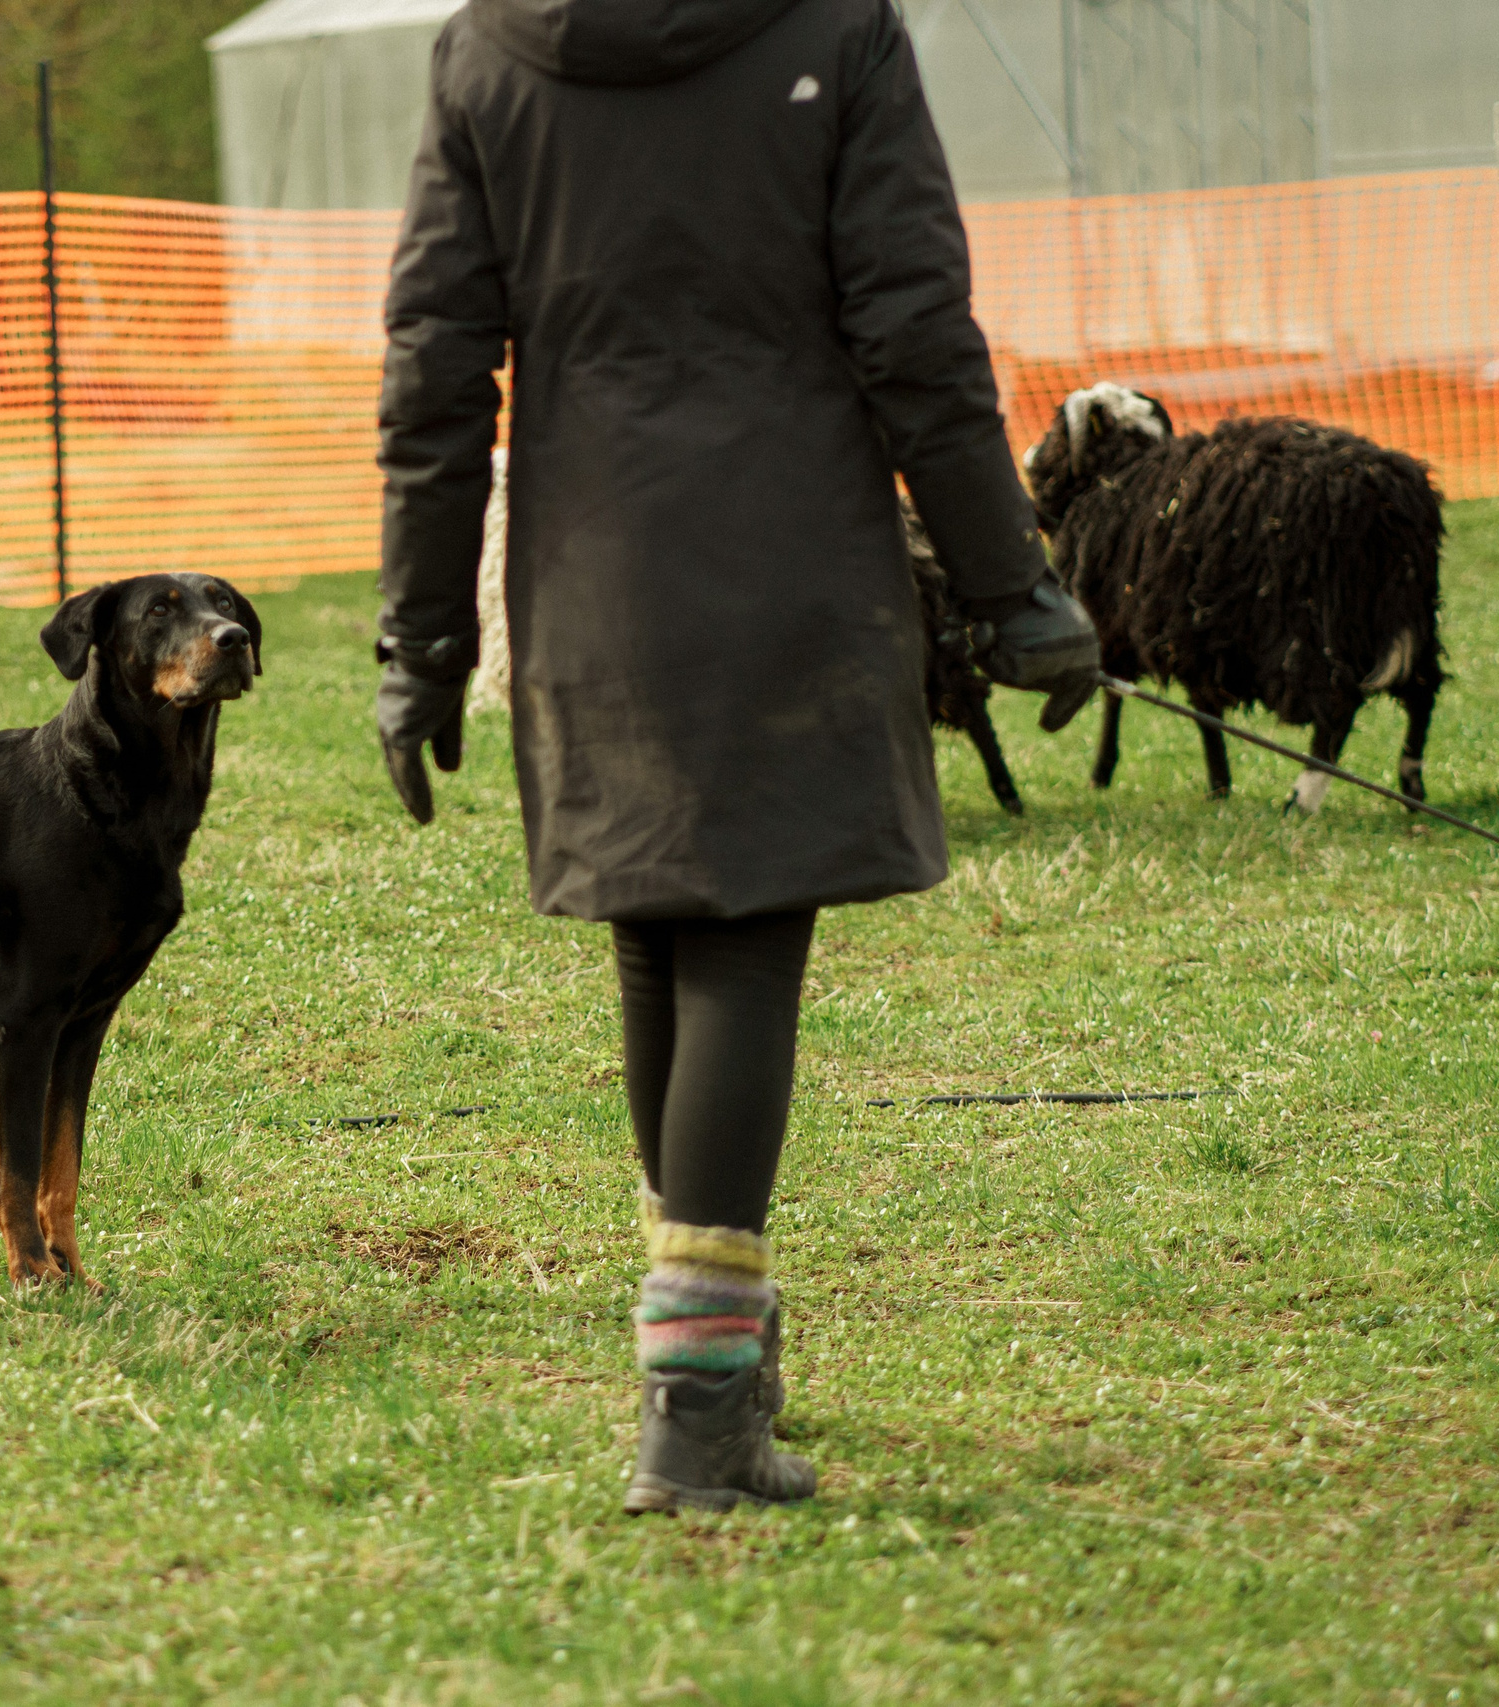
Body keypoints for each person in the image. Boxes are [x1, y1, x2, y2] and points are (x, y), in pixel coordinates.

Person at [372, 0, 1101, 1513]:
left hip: (591, 575)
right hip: (789, 561)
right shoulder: (840, 26)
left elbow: (435, 367)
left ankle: (716, 1352)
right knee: (745, 951)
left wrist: (425, 639)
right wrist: (1009, 582)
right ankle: (700, 1407)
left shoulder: (483, 53)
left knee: (659, 940)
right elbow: (911, 323)